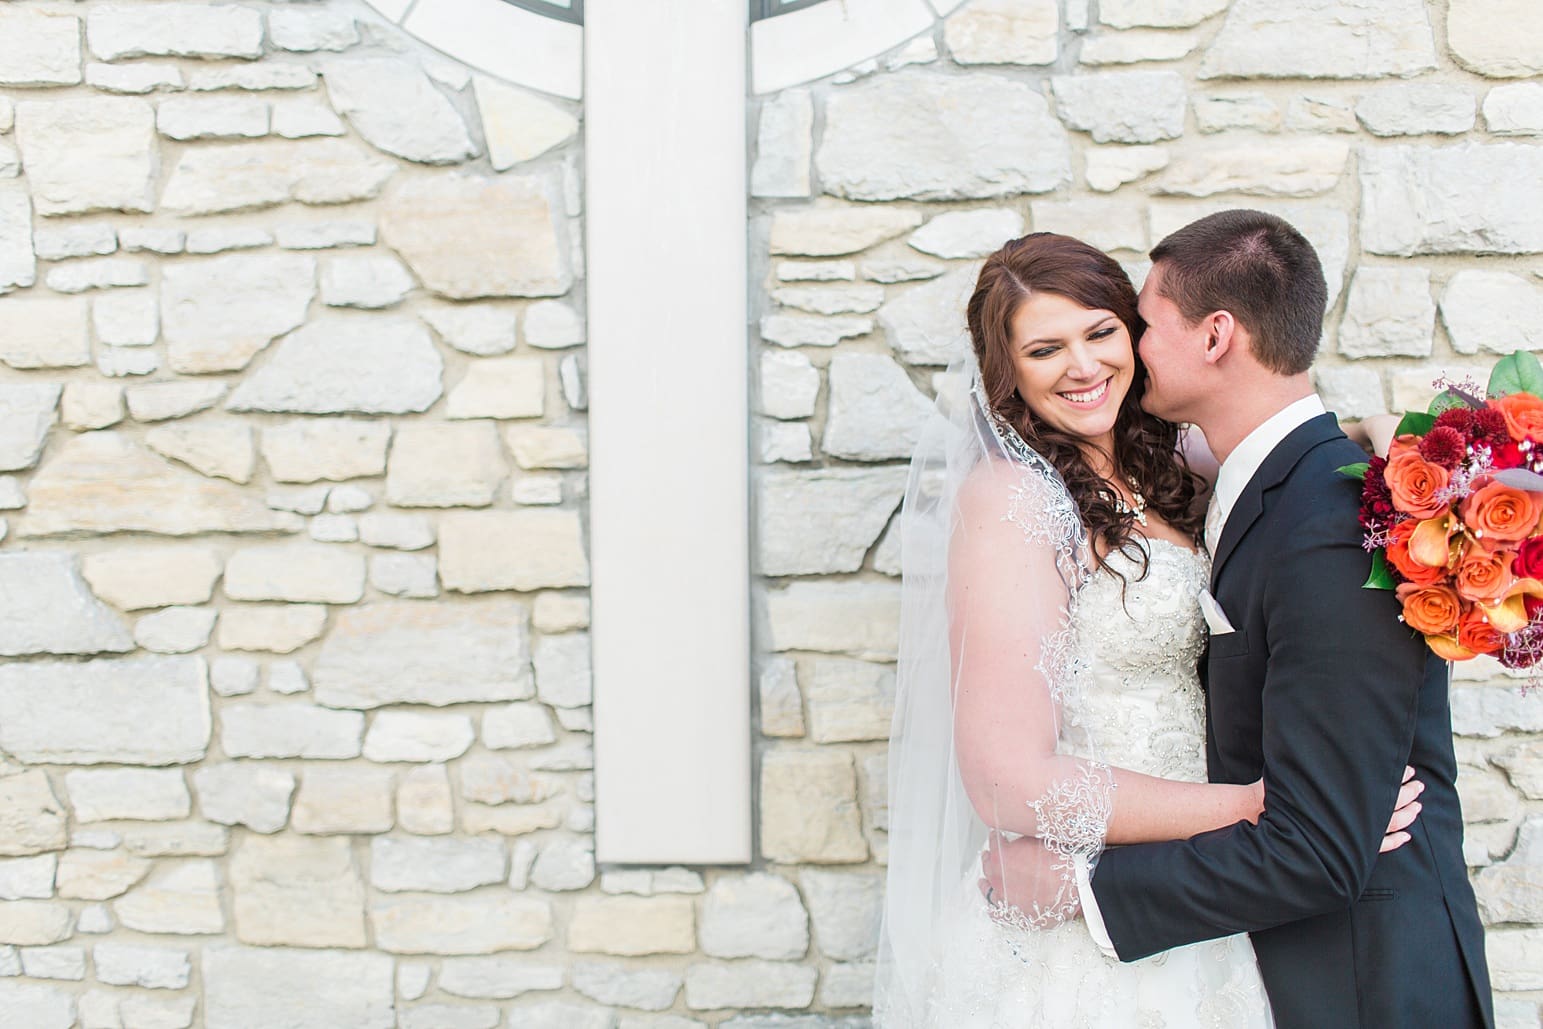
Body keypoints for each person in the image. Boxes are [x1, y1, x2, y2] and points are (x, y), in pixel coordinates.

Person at [873, 230, 1420, 1026]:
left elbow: (1285, 448)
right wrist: (1254, 808)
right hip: (1091, 906)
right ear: (1008, 372)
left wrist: (1382, 437)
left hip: (1205, 894)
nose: (1084, 366)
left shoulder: (1172, 465)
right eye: (1044, 349)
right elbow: (1002, 778)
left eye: (1100, 332)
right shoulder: (1011, 501)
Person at [980, 211, 1494, 1028]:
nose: (1107, 360)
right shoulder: (1245, 481)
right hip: (1245, 948)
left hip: (1364, 981)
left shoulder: (1326, 515)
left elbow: (1321, 844)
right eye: (1044, 348)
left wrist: (1084, 889)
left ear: (1215, 335)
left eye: (1130, 327)